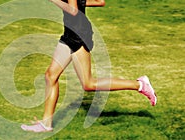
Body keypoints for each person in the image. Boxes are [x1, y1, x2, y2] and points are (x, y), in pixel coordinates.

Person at [21, 0, 157, 132]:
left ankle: (139, 85)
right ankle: (46, 124)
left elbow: (73, 10)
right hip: (70, 32)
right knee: (50, 76)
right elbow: (100, 2)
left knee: (88, 84)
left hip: (78, 35)